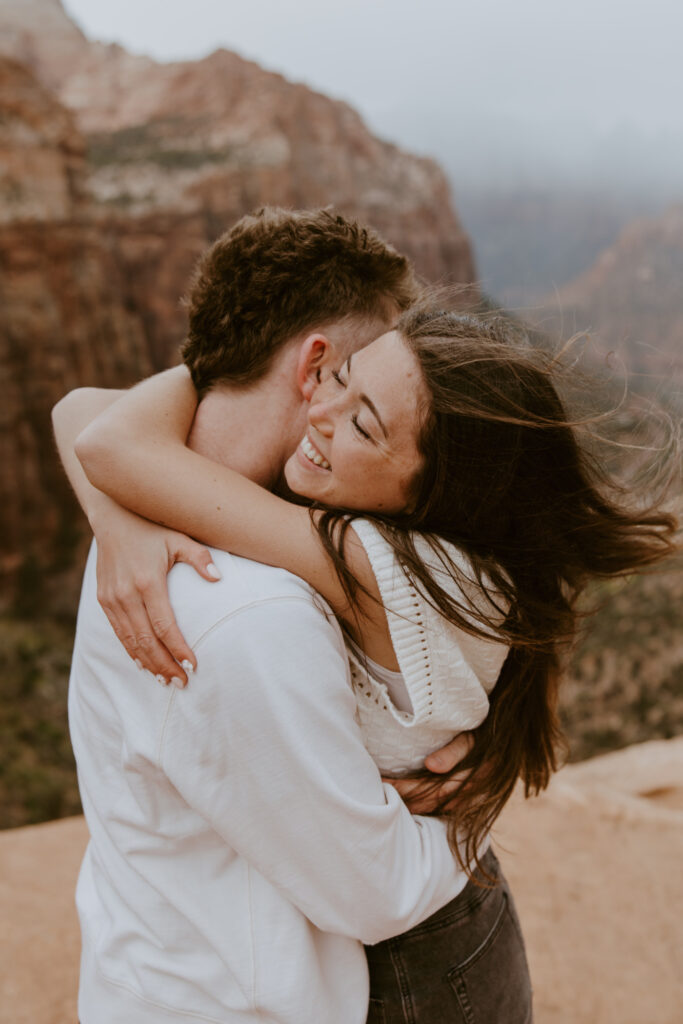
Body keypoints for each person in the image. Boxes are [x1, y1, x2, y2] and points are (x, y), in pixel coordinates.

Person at [57, 207, 679, 1020]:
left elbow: (103, 437)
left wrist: (116, 511)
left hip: (399, 960)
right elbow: (94, 425)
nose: (324, 409)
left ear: (430, 496)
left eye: (363, 418)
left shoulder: (344, 561)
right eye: (343, 378)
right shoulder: (239, 589)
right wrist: (119, 512)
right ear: (314, 359)